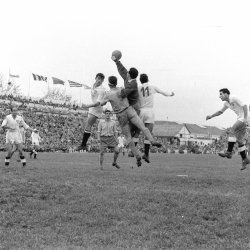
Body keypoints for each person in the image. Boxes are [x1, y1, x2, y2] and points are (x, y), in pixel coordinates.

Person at [82, 76, 162, 167]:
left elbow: (100, 103)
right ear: (116, 83)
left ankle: (137, 155)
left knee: (128, 137)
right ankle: (151, 140)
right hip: (129, 110)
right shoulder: (122, 89)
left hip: (121, 114)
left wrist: (86, 105)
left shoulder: (108, 94)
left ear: (109, 84)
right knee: (143, 127)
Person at [133, 73, 174, 163]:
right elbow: (164, 93)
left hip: (141, 111)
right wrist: (171, 93)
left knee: (137, 132)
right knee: (148, 133)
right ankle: (146, 154)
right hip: (150, 111)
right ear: (148, 79)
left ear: (140, 81)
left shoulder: (138, 88)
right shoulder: (153, 87)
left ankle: (133, 151)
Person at [206, 88, 250, 170]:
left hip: (245, 118)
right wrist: (211, 116)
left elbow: (245, 106)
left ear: (226, 94)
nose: (220, 96)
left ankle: (229, 152)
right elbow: (220, 112)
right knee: (239, 140)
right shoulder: (226, 103)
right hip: (240, 118)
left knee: (231, 131)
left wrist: (244, 119)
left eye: (221, 94)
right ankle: (245, 159)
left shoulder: (233, 97)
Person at [76, 73, 106, 151]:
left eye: (101, 79)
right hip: (93, 107)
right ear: (95, 78)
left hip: (97, 108)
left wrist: (86, 105)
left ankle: (83, 145)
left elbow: (97, 103)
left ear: (103, 81)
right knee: (88, 125)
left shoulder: (102, 89)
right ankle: (83, 145)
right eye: (98, 78)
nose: (99, 80)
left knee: (88, 125)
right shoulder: (93, 85)